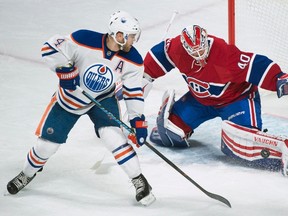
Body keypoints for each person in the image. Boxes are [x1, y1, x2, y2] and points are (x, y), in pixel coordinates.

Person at [6, 10, 156, 206]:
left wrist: (138, 120)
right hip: (69, 100)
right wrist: (64, 69)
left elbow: (134, 91)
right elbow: (50, 47)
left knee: (114, 137)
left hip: (103, 100)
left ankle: (139, 180)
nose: (133, 41)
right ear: (118, 35)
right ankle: (27, 173)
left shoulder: (133, 60)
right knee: (46, 146)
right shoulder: (83, 38)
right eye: (130, 37)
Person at [143, 25, 288, 176]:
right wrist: (143, 76)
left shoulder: (224, 54)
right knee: (168, 133)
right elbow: (162, 54)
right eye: (194, 51)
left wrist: (279, 78)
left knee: (242, 142)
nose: (199, 54)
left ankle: (283, 150)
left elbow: (256, 64)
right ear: (185, 47)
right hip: (200, 101)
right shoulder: (177, 49)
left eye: (201, 49)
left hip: (236, 100)